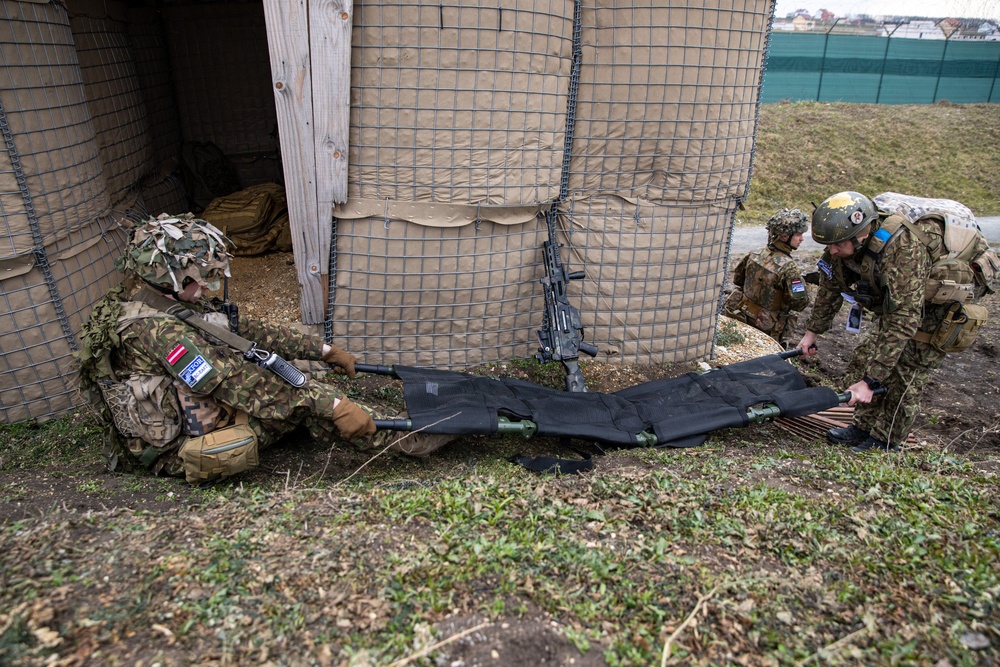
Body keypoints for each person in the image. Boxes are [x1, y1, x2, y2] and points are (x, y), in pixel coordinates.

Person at [77, 213, 451, 483]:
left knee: (308, 376)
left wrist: (323, 350)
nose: (208, 287)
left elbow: (245, 330)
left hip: (205, 405)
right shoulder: (155, 330)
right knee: (307, 404)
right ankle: (419, 435)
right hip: (180, 450)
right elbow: (231, 381)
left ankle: (390, 414)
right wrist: (332, 405)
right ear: (168, 277)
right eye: (199, 278)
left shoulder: (161, 300)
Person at [795, 191, 995, 453]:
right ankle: (862, 427)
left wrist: (870, 382)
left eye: (838, 245)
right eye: (829, 244)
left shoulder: (903, 249)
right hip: (905, 296)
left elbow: (903, 319)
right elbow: (831, 285)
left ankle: (885, 439)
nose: (832, 250)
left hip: (940, 300)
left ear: (862, 234)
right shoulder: (842, 242)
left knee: (906, 371)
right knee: (868, 355)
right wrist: (813, 332)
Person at [724, 208, 811, 347]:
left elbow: (738, 280)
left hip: (741, 316)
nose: (802, 239)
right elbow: (800, 302)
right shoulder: (789, 268)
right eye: (798, 234)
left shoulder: (755, 254)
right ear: (784, 236)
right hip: (767, 328)